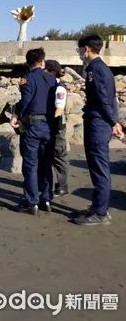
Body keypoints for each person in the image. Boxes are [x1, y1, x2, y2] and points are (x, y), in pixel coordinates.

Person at [71, 35, 124, 226]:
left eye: (80, 49)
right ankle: (98, 206)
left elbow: (103, 99)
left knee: (99, 168)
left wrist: (113, 122)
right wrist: (114, 121)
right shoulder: (102, 68)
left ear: (86, 49)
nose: (79, 53)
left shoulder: (95, 69)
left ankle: (101, 212)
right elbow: (111, 98)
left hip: (98, 124)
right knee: (97, 167)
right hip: (101, 122)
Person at [10, 48, 57, 215]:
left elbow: (26, 100)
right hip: (50, 126)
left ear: (27, 63)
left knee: (30, 164)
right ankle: (46, 198)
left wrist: (16, 114)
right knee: (46, 164)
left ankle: (32, 202)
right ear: (42, 62)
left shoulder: (27, 79)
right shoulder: (52, 79)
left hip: (32, 126)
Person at [44, 60, 69, 196]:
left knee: (59, 156)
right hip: (49, 125)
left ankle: (62, 185)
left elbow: (59, 108)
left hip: (57, 126)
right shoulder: (50, 85)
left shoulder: (59, 87)